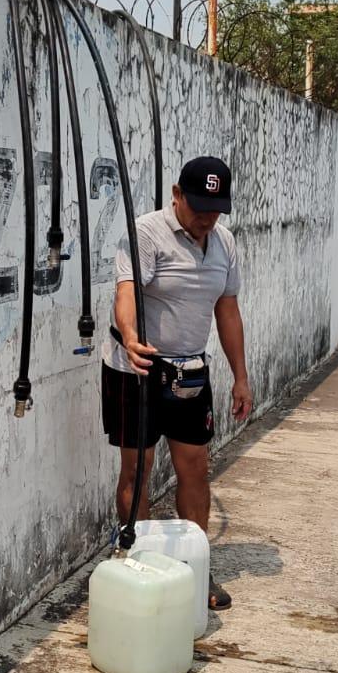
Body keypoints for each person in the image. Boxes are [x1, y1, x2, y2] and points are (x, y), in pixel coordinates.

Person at [101, 155, 252, 610]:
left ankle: (195, 570)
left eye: (216, 210)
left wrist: (241, 377)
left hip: (189, 371)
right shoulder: (146, 233)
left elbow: (227, 310)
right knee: (138, 469)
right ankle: (137, 566)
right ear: (177, 195)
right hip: (136, 369)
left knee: (195, 470)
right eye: (199, 207)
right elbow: (126, 292)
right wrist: (131, 337)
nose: (207, 218)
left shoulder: (224, 243)